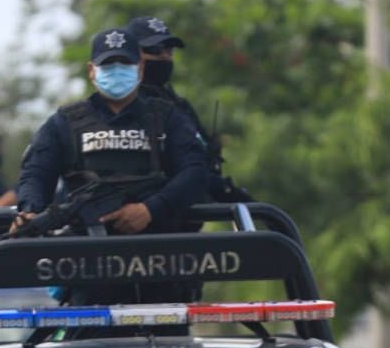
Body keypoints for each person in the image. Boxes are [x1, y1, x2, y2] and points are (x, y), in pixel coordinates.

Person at [15, 27, 208, 235]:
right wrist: (30, 211)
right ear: (91, 70)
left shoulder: (167, 117)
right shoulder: (65, 122)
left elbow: (195, 171)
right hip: (82, 244)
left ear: (140, 68)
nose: (117, 71)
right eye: (107, 64)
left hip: (156, 243)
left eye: (125, 63)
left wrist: (150, 209)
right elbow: (36, 172)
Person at [127, 14, 251, 203]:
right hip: (148, 212)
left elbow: (199, 161)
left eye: (169, 50)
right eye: (155, 50)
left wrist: (225, 190)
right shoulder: (123, 106)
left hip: (192, 211)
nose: (164, 56)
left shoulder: (178, 105)